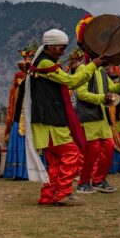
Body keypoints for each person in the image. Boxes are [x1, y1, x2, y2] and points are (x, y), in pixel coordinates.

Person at [24, 29, 102, 206]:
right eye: (61, 48)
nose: (63, 52)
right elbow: (71, 81)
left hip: (45, 119)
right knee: (71, 153)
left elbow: (69, 82)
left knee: (55, 161)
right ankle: (63, 194)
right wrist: (92, 65)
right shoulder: (45, 63)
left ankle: (49, 195)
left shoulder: (44, 61)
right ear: (50, 46)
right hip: (51, 119)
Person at [74, 58, 120, 193]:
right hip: (90, 116)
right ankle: (83, 183)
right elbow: (81, 94)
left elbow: (112, 88)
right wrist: (102, 98)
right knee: (92, 150)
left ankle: (99, 180)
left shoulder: (101, 70)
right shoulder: (83, 68)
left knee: (108, 147)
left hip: (103, 116)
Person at [4, 56, 31, 180]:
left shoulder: (37, 77)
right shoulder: (19, 77)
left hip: (31, 115)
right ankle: (19, 172)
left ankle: (29, 171)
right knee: (19, 142)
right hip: (19, 115)